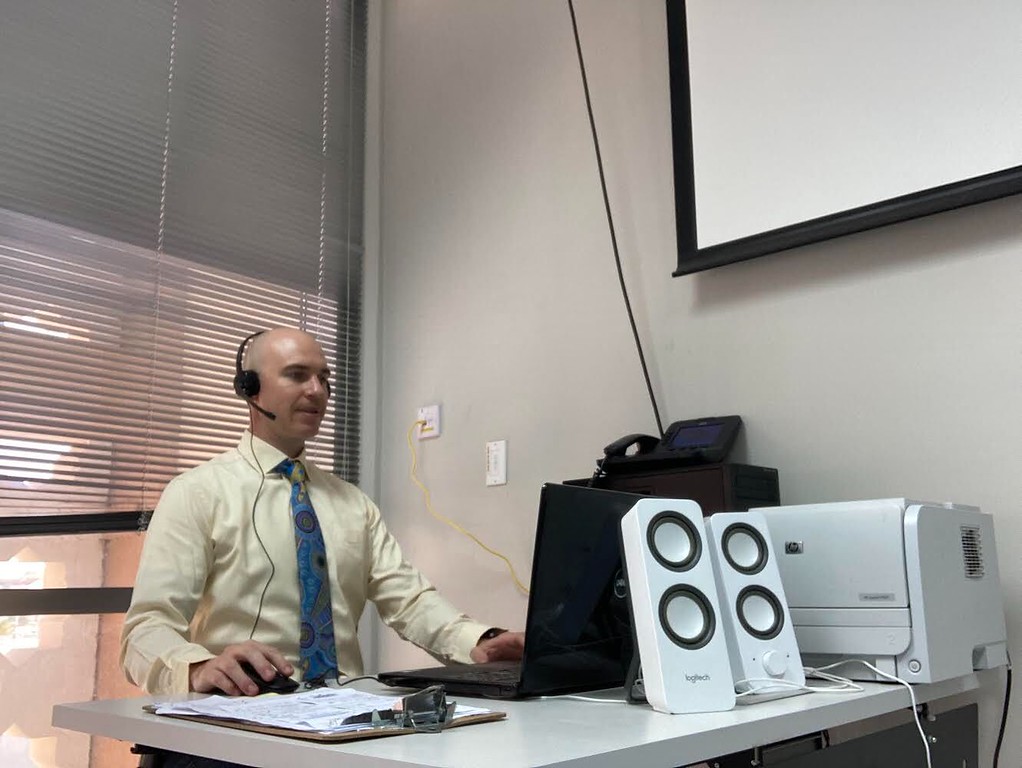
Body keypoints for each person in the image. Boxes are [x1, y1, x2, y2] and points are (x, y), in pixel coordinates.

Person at [121, 327, 523, 705]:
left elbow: (409, 600)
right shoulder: (196, 493)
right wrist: (196, 667)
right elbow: (148, 626)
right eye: (297, 375)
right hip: (237, 720)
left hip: (345, 719)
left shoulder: (353, 503)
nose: (317, 391)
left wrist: (479, 640)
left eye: (324, 379)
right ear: (250, 389)